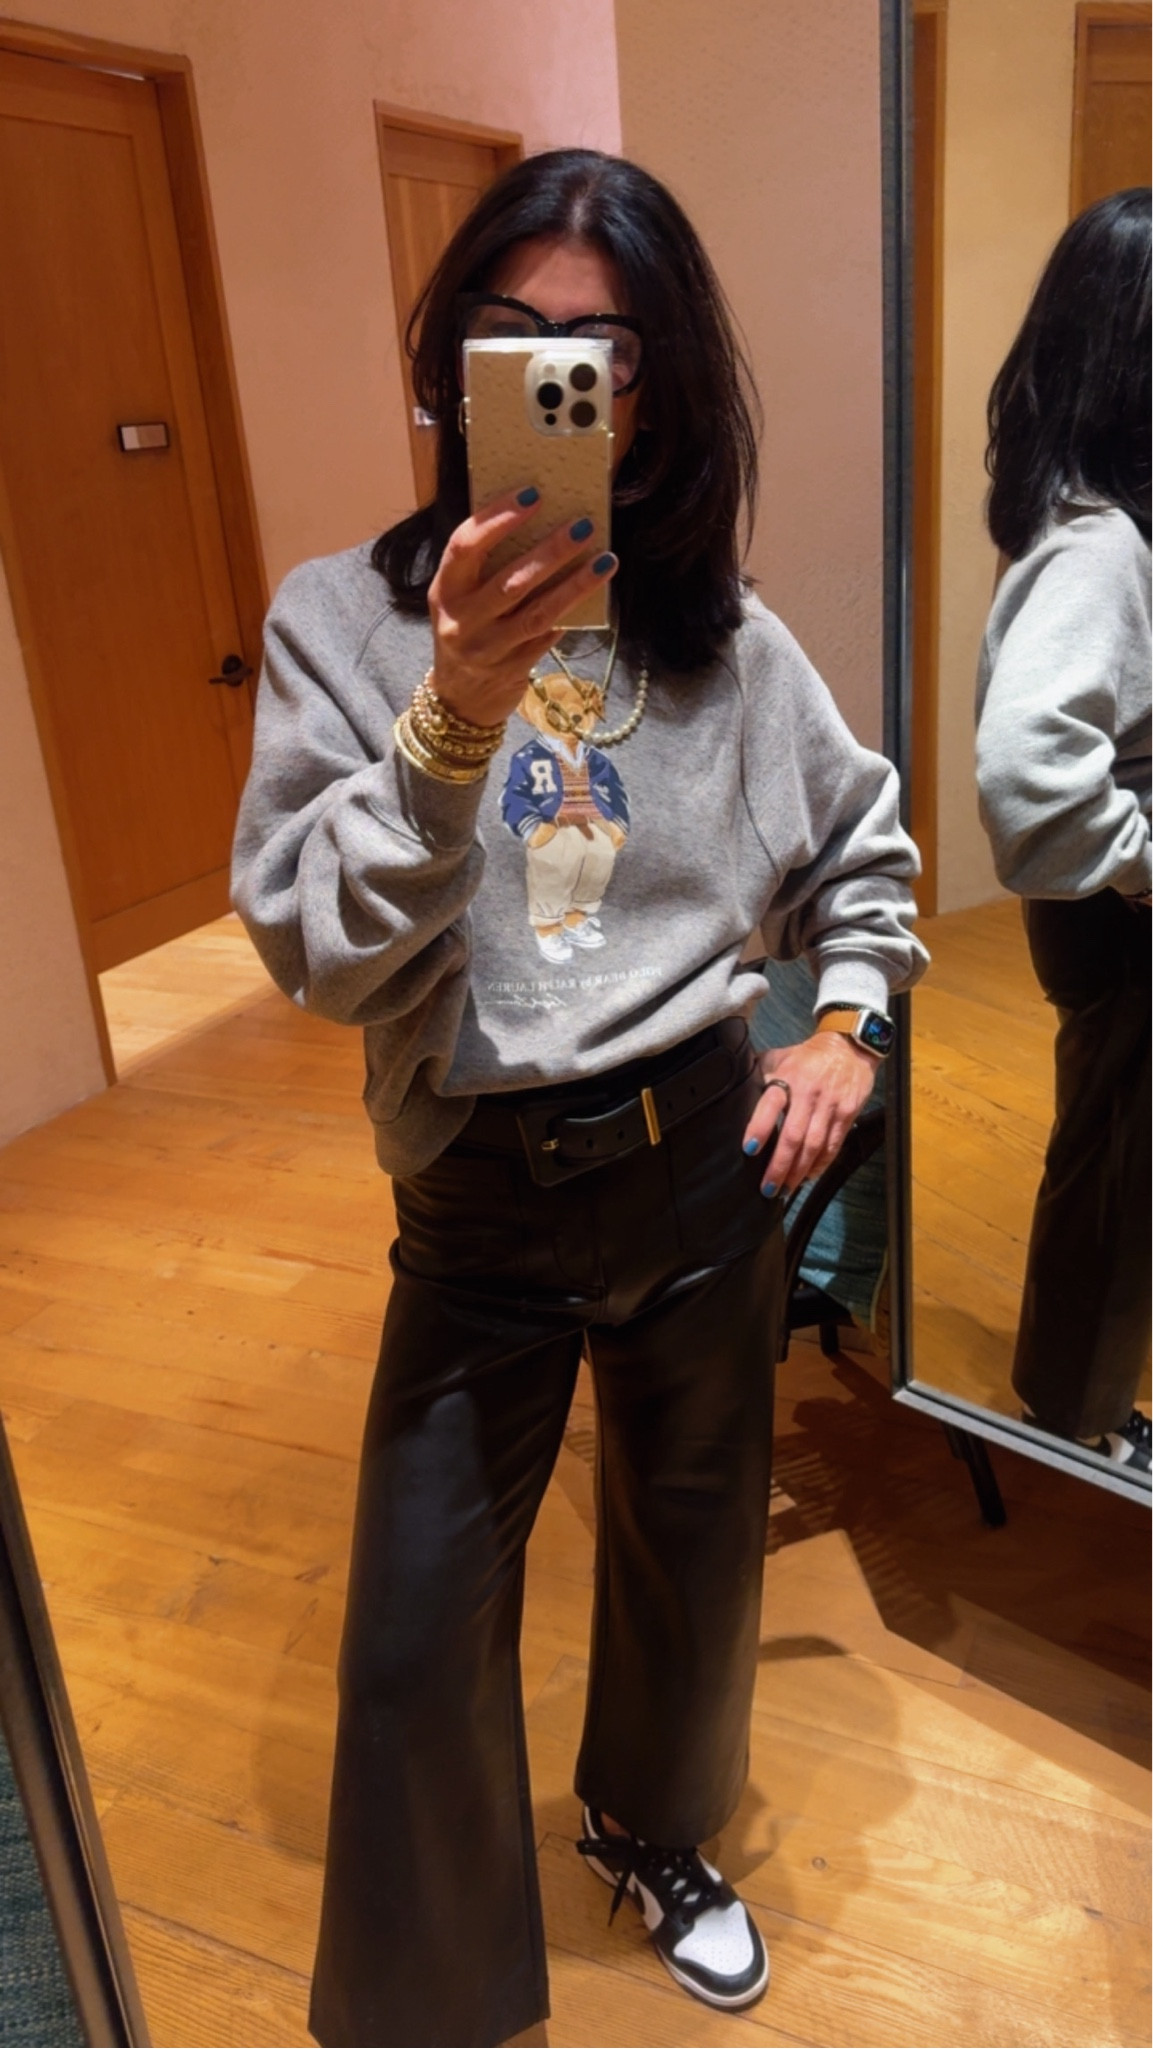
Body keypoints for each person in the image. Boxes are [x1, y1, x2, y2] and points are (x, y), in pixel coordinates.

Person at [232, 148, 926, 2048]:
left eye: (603, 353)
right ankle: (436, 2008)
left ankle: (650, 1828)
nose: (560, 382)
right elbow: (310, 948)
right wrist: (456, 703)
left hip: (702, 1165)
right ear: (447, 367)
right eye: (512, 341)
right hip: (475, 1190)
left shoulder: (723, 641)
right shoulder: (339, 625)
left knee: (693, 1553)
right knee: (410, 1640)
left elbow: (863, 853)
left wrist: (846, 1028)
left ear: (658, 388)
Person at [976, 187, 1151, 1470]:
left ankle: (1074, 1400)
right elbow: (1029, 786)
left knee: (1116, 1160)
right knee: (1116, 1174)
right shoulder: (1100, 548)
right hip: (1121, 927)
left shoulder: (1092, 520)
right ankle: (1077, 1421)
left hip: (1113, 918)